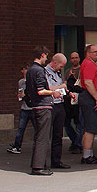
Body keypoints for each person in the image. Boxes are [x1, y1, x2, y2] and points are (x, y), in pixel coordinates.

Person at [25, 46, 60, 175]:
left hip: (35, 105)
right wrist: (53, 93)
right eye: (46, 56)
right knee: (43, 137)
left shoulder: (30, 70)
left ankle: (37, 163)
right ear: (42, 55)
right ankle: (38, 166)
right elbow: (41, 90)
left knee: (39, 136)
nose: (46, 59)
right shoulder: (39, 70)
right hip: (43, 105)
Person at [78, 44, 97, 165]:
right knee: (90, 128)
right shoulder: (89, 64)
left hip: (90, 98)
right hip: (90, 98)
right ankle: (87, 156)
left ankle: (89, 154)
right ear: (88, 53)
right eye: (95, 51)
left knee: (91, 127)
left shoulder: (89, 64)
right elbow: (88, 82)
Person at [46, 53, 70, 169]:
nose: (61, 68)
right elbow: (47, 88)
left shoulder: (57, 73)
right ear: (55, 63)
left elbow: (60, 88)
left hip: (60, 104)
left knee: (58, 134)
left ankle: (56, 160)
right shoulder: (44, 72)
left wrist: (67, 92)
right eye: (61, 66)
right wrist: (61, 86)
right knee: (45, 134)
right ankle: (42, 161)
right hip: (50, 105)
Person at [8, 64, 34, 154]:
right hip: (24, 108)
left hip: (32, 108)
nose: (26, 71)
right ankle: (17, 146)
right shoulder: (21, 82)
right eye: (25, 69)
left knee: (37, 128)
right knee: (21, 128)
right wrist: (20, 96)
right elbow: (20, 92)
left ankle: (38, 145)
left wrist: (25, 96)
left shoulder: (32, 81)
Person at [64, 50, 82, 154]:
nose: (74, 59)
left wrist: (74, 77)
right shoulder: (67, 71)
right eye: (72, 58)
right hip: (68, 99)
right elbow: (65, 83)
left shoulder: (81, 70)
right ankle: (75, 140)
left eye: (76, 57)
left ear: (79, 59)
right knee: (66, 122)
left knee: (78, 122)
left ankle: (77, 144)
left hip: (78, 99)